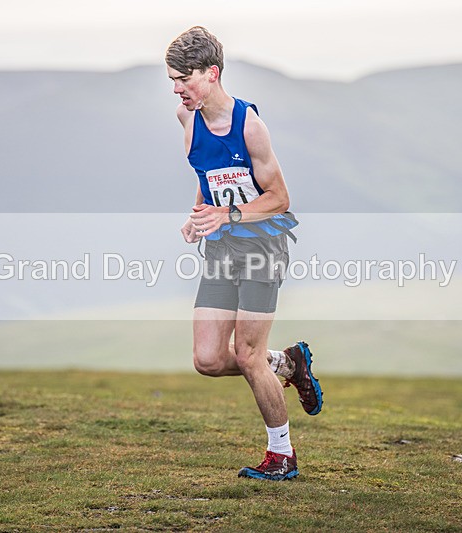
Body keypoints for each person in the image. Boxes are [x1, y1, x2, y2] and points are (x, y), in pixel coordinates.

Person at [165, 26, 323, 481]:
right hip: (220, 247)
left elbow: (279, 197)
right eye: (172, 81)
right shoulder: (186, 117)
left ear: (211, 73)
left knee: (247, 353)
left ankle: (282, 455)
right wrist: (198, 214)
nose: (178, 90)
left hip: (262, 245)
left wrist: (227, 216)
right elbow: (206, 170)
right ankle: (288, 363)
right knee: (209, 359)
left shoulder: (249, 125)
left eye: (185, 79)